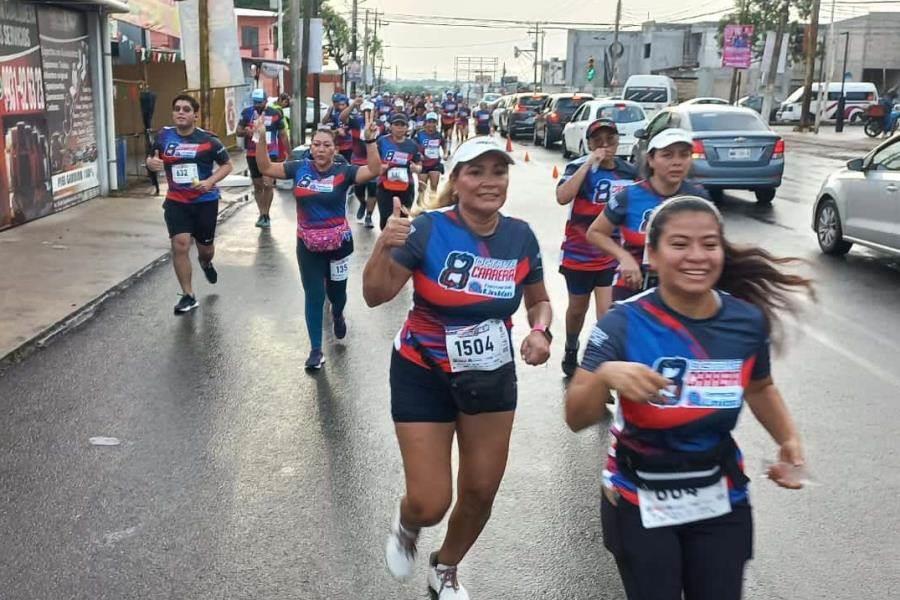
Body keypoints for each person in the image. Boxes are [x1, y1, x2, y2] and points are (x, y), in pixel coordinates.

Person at [565, 195, 812, 600]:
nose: (697, 256)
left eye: (709, 244)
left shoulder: (746, 321)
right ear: (653, 255)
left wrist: (789, 441)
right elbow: (575, 417)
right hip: (638, 496)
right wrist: (605, 376)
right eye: (679, 244)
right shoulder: (622, 323)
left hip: (720, 494)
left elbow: (760, 386)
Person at [362, 136, 552, 600]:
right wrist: (383, 246)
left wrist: (541, 331)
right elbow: (375, 295)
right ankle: (409, 523)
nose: (489, 182)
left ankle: (445, 566)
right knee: (431, 502)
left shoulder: (520, 236)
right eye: (476, 172)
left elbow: (540, 300)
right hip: (422, 368)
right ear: (456, 180)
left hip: (490, 373)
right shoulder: (428, 229)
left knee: (481, 491)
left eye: (498, 172)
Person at [253, 111, 382, 369]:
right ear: (310, 147)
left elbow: (374, 170)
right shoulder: (299, 167)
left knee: (337, 293)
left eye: (326, 145)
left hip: (339, 245)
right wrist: (260, 138)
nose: (321, 149)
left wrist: (370, 142)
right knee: (313, 294)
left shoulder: (344, 172)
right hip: (308, 245)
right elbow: (265, 167)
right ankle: (315, 350)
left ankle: (337, 314)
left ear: (335, 149)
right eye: (316, 144)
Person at [586, 128, 708, 303]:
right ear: (651, 159)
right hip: (634, 286)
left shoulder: (698, 198)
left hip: (682, 287)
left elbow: (711, 243)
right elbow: (595, 233)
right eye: (667, 155)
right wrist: (624, 257)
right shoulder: (629, 195)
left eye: (684, 155)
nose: (677, 162)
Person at [556, 119, 637, 377]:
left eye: (610, 140)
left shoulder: (628, 172)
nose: (605, 146)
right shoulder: (578, 167)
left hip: (611, 255)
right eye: (598, 141)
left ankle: (602, 368)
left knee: (607, 314)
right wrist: (588, 163)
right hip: (578, 254)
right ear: (589, 144)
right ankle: (571, 346)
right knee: (578, 309)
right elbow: (562, 197)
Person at [146, 94, 233, 314]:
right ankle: (188, 295)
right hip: (176, 201)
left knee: (205, 250)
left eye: (186, 109)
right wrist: (152, 163)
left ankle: (206, 263)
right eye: (177, 109)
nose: (181, 113)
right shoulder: (164, 137)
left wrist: (209, 181)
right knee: (180, 244)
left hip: (205, 201)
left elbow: (227, 165)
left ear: (195, 115)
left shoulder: (208, 140)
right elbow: (151, 158)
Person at [236, 88, 288, 228]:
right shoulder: (247, 113)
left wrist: (289, 152)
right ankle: (262, 213)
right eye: (255, 102)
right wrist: (246, 131)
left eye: (260, 102)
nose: (257, 105)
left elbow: (282, 134)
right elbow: (238, 131)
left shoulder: (275, 113)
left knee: (268, 184)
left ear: (266, 101)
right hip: (252, 153)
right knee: (258, 185)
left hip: (270, 153)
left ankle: (267, 214)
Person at [375, 112, 422, 230]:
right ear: (390, 126)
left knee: (403, 220)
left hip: (406, 187)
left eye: (402, 125)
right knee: (385, 221)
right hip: (385, 186)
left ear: (407, 127)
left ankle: (398, 247)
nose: (399, 128)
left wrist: (416, 169)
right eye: (396, 124)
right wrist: (380, 167)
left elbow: (419, 165)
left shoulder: (412, 145)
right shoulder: (382, 141)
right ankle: (386, 244)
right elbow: (373, 161)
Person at [341, 95, 381, 227]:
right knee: (359, 190)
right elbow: (342, 118)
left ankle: (369, 216)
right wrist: (352, 105)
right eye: (365, 111)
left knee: (372, 189)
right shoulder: (355, 121)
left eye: (370, 111)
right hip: (357, 161)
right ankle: (363, 203)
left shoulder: (380, 125)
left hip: (373, 161)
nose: (368, 114)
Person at [414, 112, 445, 206]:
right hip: (423, 164)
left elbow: (443, 145)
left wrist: (446, 153)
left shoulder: (439, 135)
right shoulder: (419, 134)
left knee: (434, 186)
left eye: (433, 122)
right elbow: (413, 147)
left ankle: (432, 206)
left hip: (435, 163)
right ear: (425, 123)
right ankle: (420, 203)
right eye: (429, 122)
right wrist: (419, 155)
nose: (431, 124)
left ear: (436, 123)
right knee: (422, 187)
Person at [323, 93, 354, 163]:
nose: (336, 104)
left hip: (348, 145)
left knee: (346, 163)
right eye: (334, 102)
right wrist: (329, 112)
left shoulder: (351, 115)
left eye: (337, 102)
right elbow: (324, 122)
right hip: (337, 143)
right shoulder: (335, 114)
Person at [440, 92, 458, 157]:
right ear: (447, 96)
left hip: (451, 121)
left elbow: (456, 111)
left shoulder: (455, 103)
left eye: (451, 95)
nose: (449, 96)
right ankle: (445, 149)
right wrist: (447, 114)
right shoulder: (444, 103)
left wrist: (455, 116)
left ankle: (449, 149)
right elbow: (441, 111)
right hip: (444, 121)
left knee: (450, 135)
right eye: (448, 95)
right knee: (445, 136)